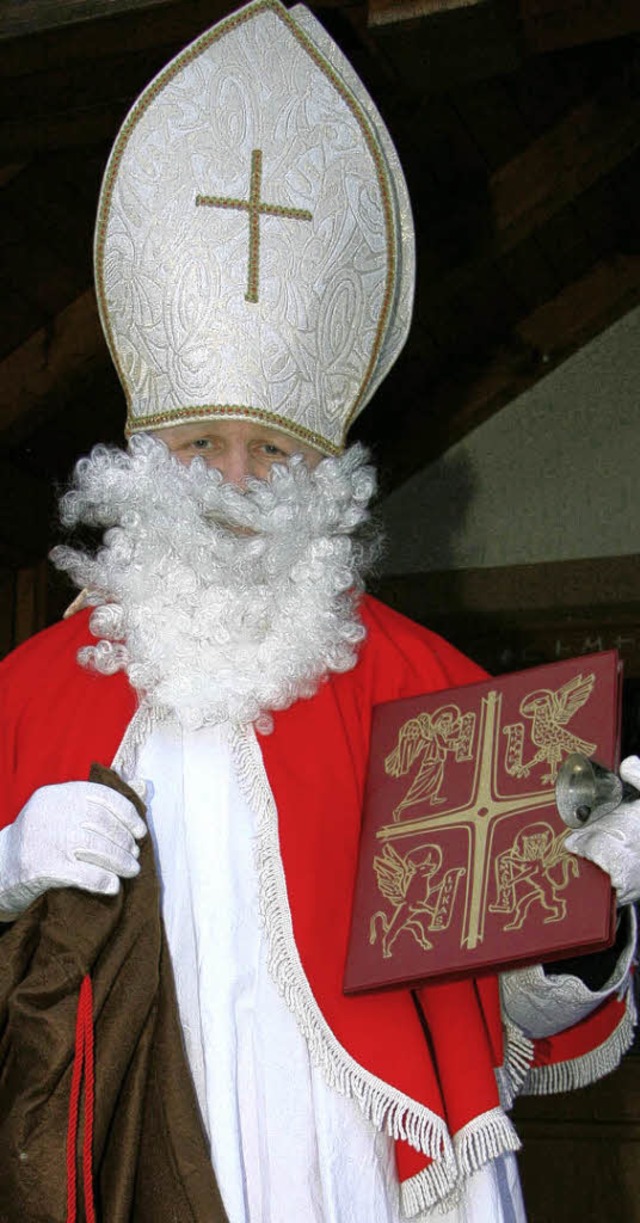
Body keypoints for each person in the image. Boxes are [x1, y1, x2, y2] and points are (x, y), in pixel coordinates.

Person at [0, 3, 638, 1220]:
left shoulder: (429, 688)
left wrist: (581, 923)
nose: (238, 484)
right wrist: (5, 865)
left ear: (328, 477)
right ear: (140, 453)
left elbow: (514, 1018)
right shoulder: (27, 689)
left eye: (274, 450)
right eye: (200, 442)